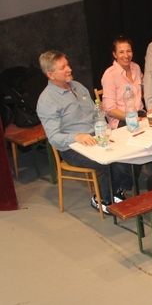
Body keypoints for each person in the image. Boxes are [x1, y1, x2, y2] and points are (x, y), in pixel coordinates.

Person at [36, 50, 132, 214]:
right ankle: (102, 199)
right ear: (50, 74)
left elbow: (96, 114)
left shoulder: (78, 86)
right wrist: (77, 137)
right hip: (72, 148)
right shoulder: (47, 101)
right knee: (114, 164)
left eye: (67, 65)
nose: (69, 69)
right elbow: (54, 137)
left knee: (130, 152)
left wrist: (105, 129)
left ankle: (115, 189)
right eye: (63, 68)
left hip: (98, 136)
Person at [100, 35, 144, 129]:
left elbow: (145, 87)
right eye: (121, 52)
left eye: (129, 51)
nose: (126, 55)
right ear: (115, 54)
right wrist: (134, 119)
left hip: (140, 114)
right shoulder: (109, 75)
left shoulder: (136, 67)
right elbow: (110, 110)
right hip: (121, 120)